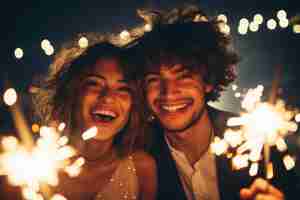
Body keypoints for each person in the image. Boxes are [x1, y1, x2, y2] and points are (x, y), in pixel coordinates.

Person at [130, 5, 299, 200]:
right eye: (154, 79)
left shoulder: (257, 142)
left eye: (183, 76)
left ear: (208, 81)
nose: (168, 93)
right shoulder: (138, 155)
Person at [32, 40, 157, 200]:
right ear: (73, 93)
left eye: (123, 88)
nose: (108, 97)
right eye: (95, 83)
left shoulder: (142, 169)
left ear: (134, 104)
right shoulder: (30, 167)